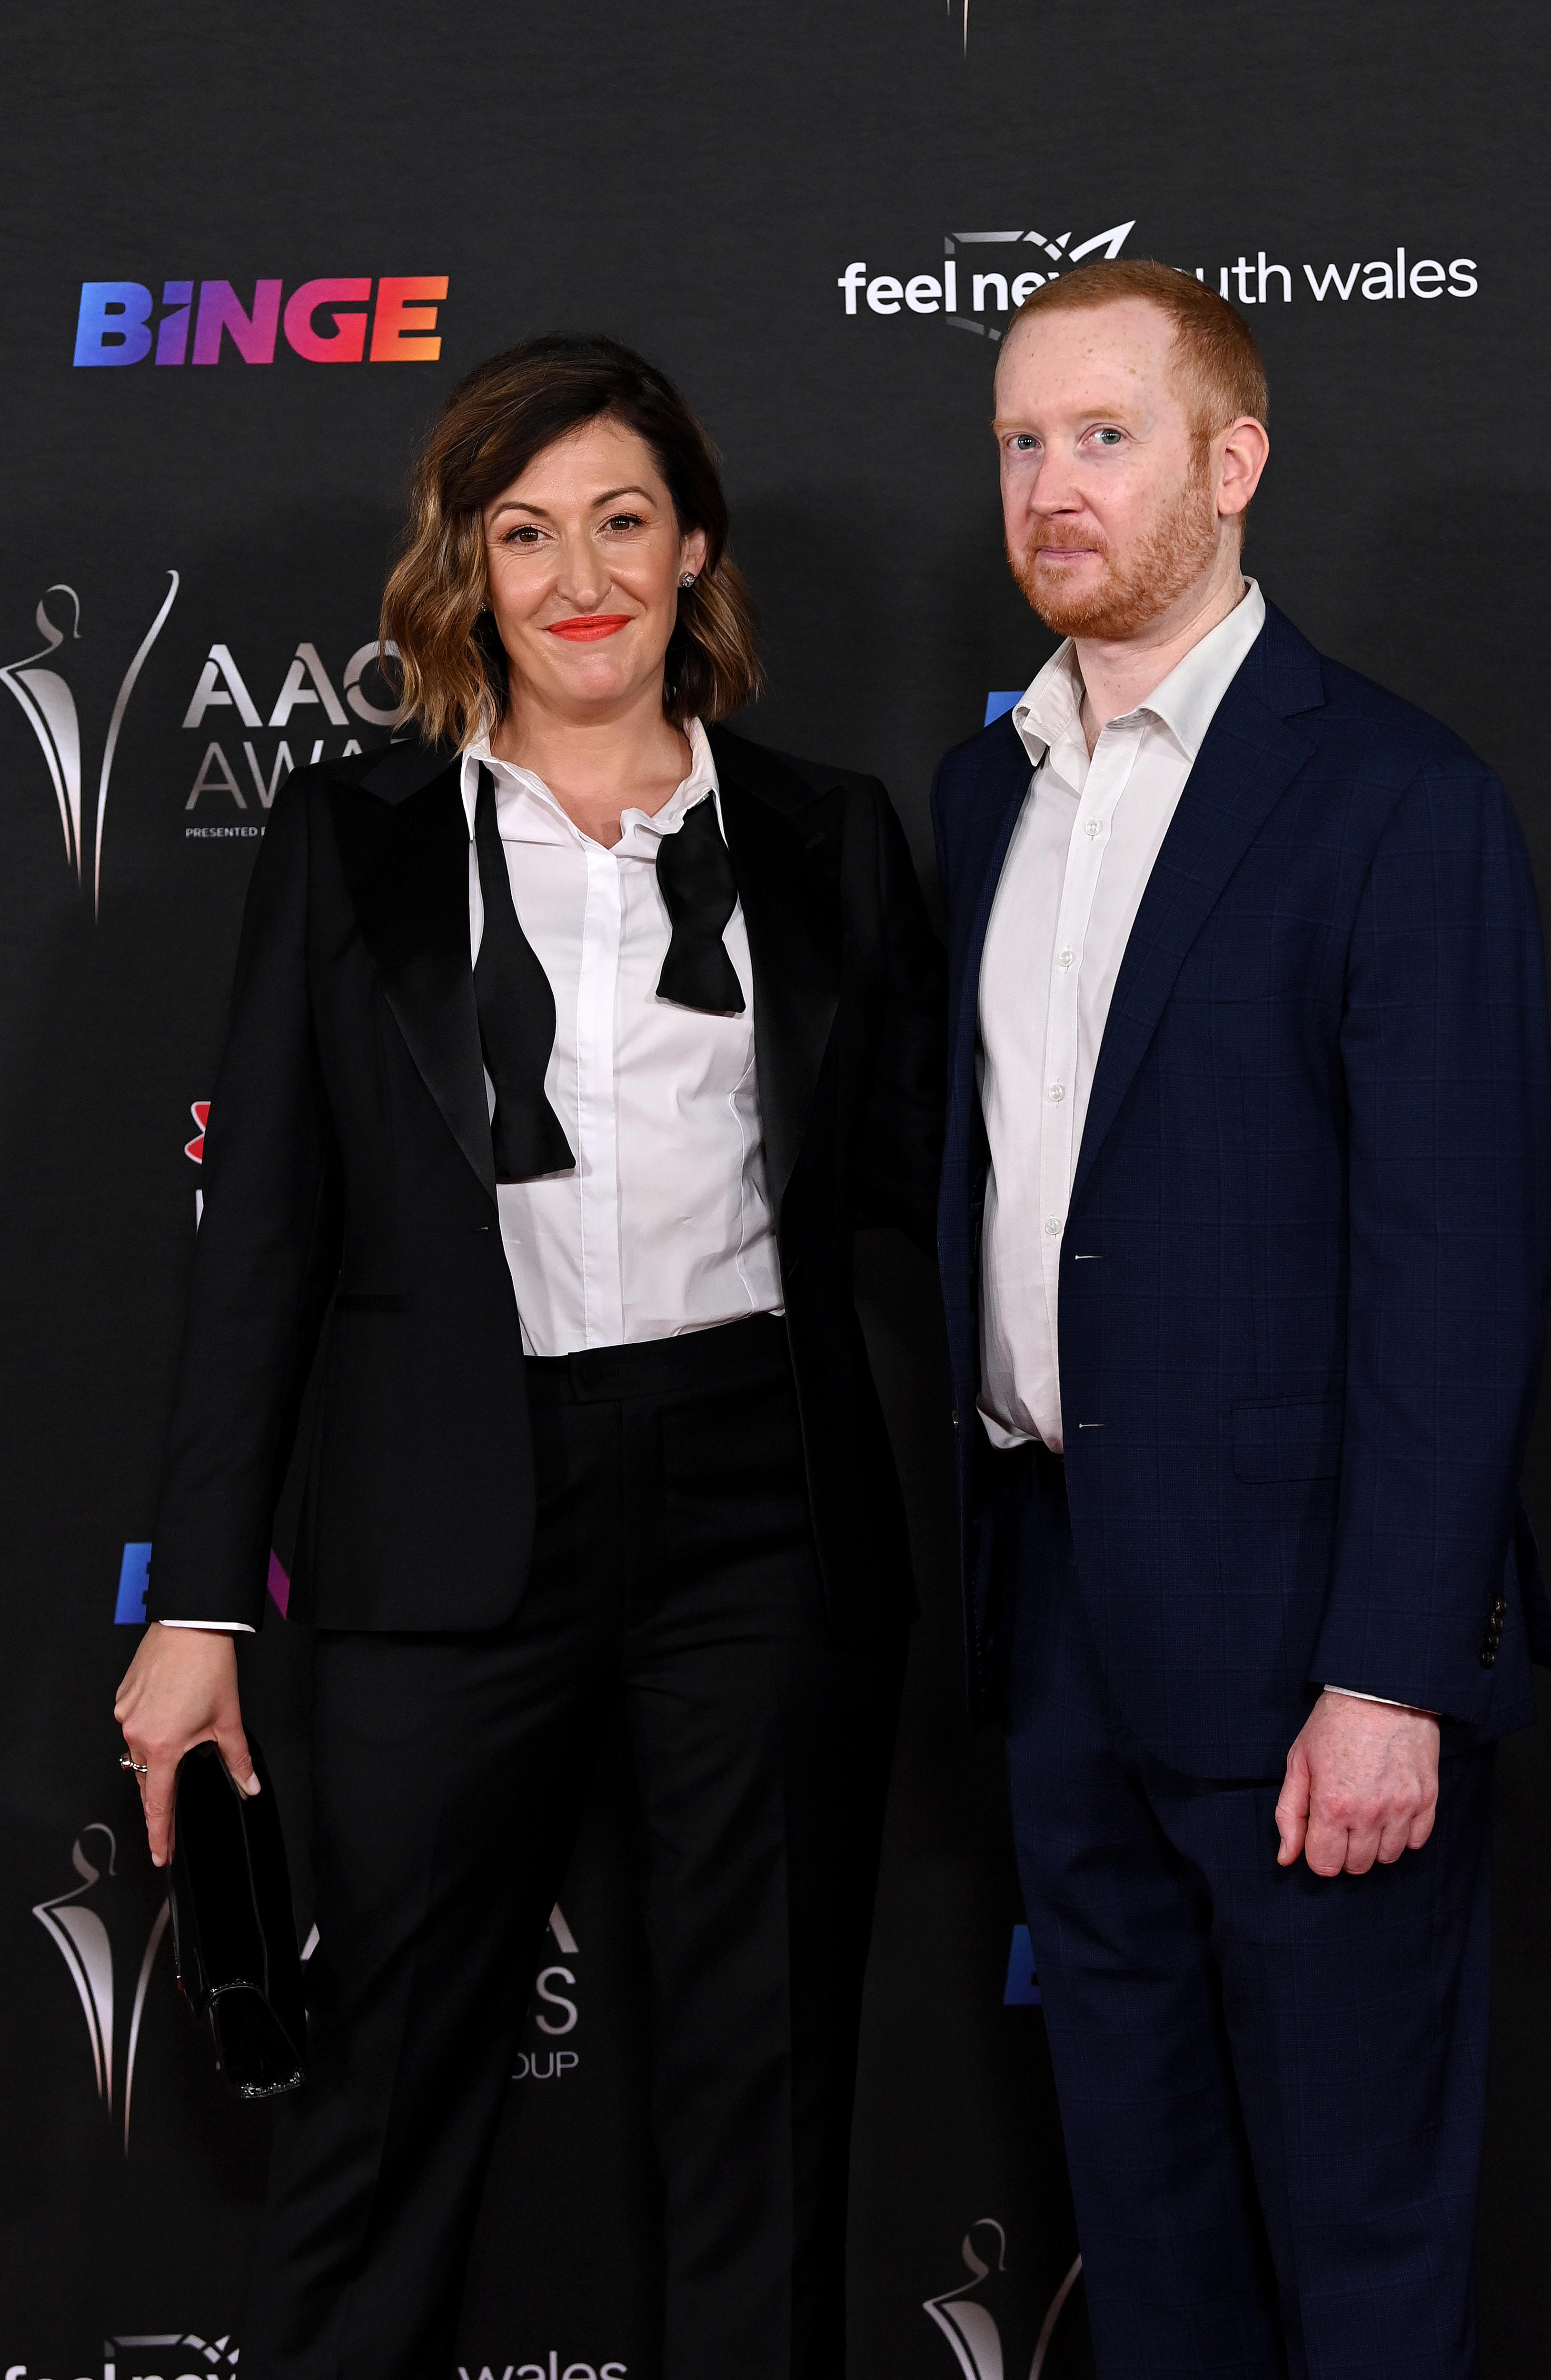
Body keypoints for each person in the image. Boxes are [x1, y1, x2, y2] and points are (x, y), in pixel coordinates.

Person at [115, 332, 944, 2380]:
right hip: (444, 1511)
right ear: (468, 570)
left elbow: (943, 1190)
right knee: (381, 2082)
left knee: (762, 2082)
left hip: (763, 1505)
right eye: (527, 531)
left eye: (623, 521)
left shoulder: (832, 839)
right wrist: (199, 1599)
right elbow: (265, 1250)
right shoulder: (352, 842)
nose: (581, 574)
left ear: (695, 550)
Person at [931, 260, 1551, 2377]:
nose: (1052, 485)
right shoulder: (985, 792)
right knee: (1151, 2234)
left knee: (1362, 2246)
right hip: (1056, 1628)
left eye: (1104, 436)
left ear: (1236, 459)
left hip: (1315, 1658)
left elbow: (1454, 1272)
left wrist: (1394, 1662)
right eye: (1023, 439)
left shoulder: (1399, 798)